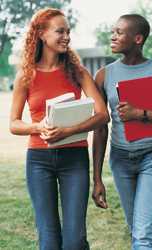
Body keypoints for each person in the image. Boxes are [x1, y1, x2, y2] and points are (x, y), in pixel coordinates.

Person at [10, 8, 109, 250]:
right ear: (42, 34)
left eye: (68, 31)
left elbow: (102, 115)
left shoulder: (77, 72)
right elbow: (14, 123)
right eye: (60, 31)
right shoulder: (26, 75)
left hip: (74, 158)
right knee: (49, 239)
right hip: (39, 160)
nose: (67, 36)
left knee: (74, 241)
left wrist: (69, 130)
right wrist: (37, 126)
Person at [92, 14, 152, 250]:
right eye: (113, 31)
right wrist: (96, 178)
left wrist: (140, 114)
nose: (113, 36)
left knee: (145, 237)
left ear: (138, 38)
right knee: (137, 231)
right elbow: (100, 130)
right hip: (121, 161)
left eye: (119, 32)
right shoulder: (104, 75)